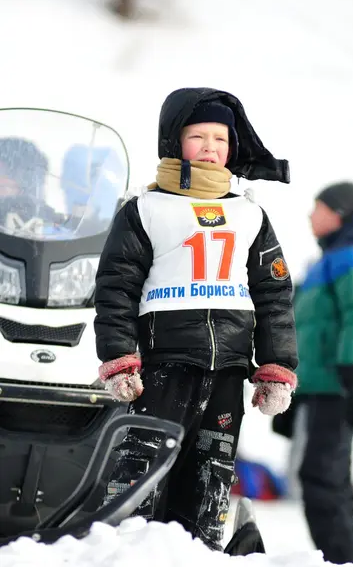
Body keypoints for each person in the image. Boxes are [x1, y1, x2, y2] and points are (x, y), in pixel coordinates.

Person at [94, 87, 298, 551]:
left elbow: (273, 294)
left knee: (212, 476)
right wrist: (120, 357)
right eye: (198, 136)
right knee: (141, 475)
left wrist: (276, 366)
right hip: (159, 368)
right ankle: (126, 553)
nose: (210, 147)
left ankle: (200, 554)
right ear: (173, 142)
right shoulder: (145, 209)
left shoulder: (249, 214)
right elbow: (115, 290)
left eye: (220, 139)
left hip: (226, 368)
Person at [273, 182, 353, 564]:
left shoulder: (350, 259)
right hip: (321, 387)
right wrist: (295, 396)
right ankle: (343, 560)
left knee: (323, 481)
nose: (310, 215)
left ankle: (344, 561)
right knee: (325, 480)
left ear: (339, 214)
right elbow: (308, 334)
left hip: (338, 387)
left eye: (318, 207)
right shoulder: (329, 260)